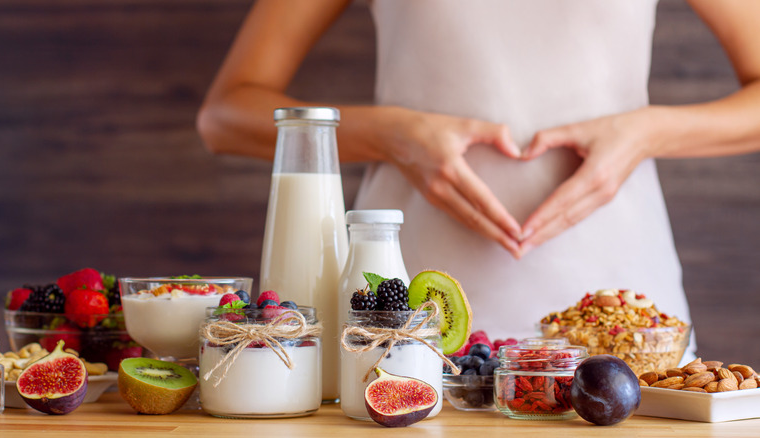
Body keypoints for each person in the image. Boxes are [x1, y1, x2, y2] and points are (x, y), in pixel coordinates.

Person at [196, 0, 760, 344]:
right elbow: (226, 115)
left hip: (627, 317)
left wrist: (645, 133)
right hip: (403, 313)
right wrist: (391, 133)